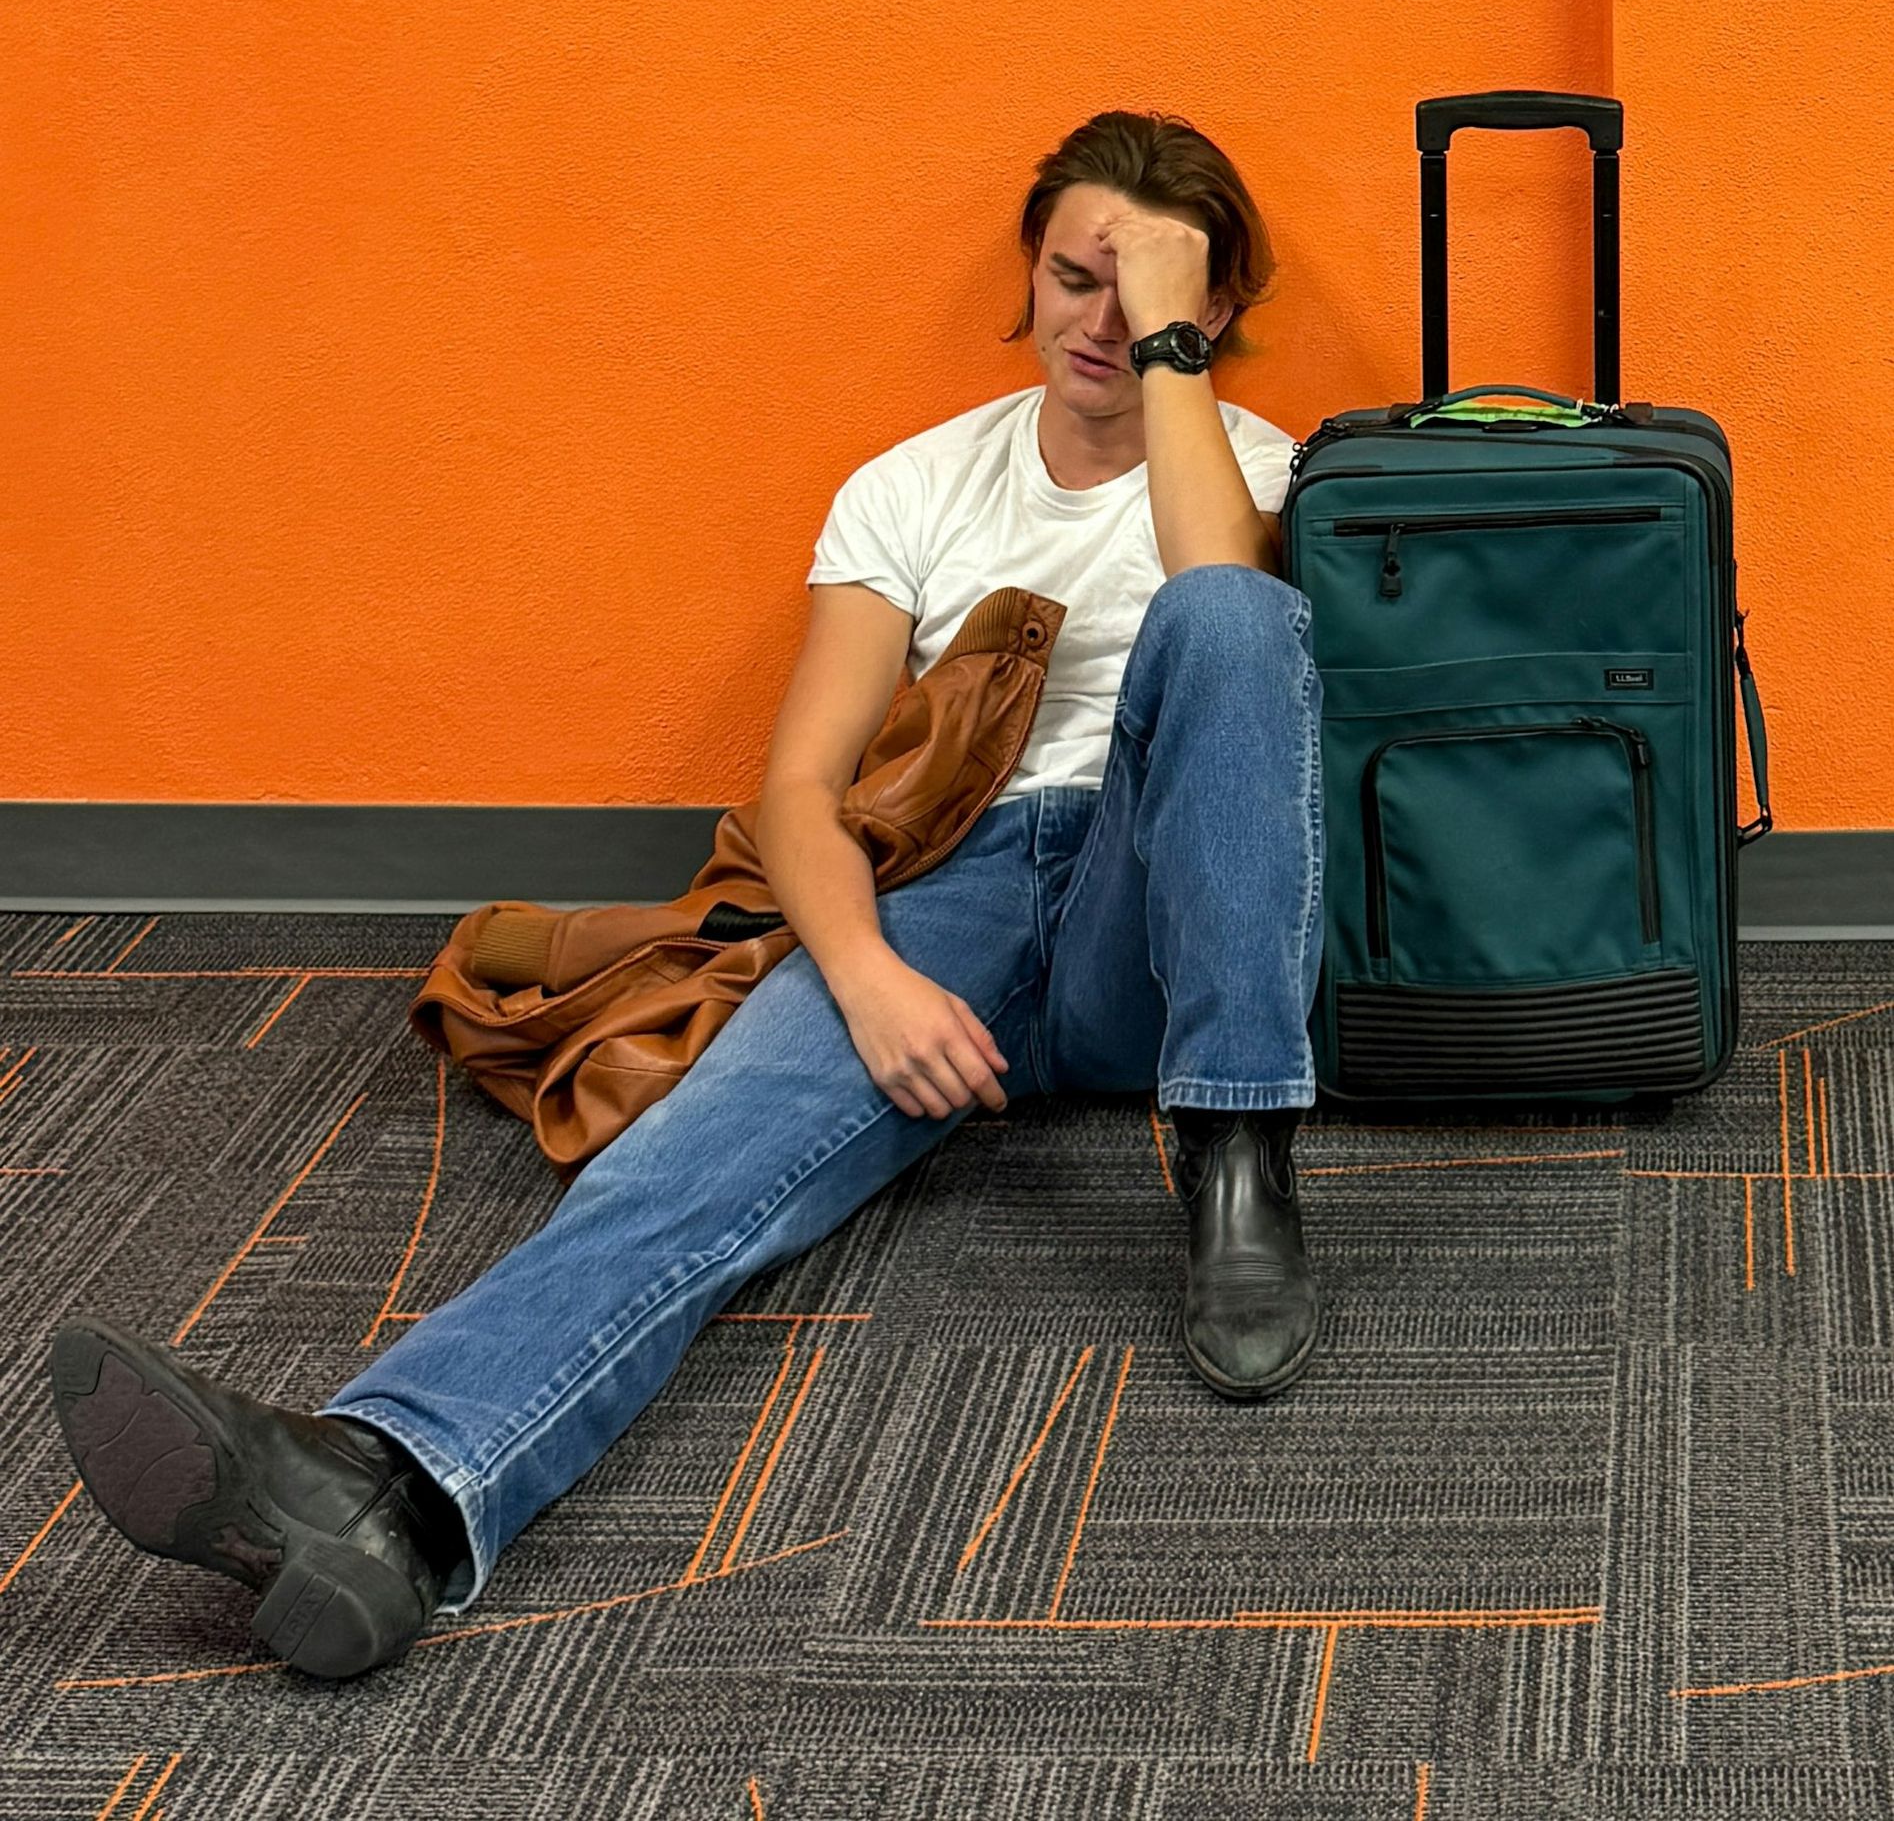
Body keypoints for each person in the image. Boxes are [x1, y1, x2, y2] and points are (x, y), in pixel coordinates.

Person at [45, 109, 1326, 1681]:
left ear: (1203, 309)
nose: (1102, 325)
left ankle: (1241, 1157)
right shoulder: (914, 488)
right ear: (1029, 277)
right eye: (1076, 279)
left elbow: (1218, 606)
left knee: (1237, 625)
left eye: (1141, 294)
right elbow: (801, 788)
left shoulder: (1255, 464)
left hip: (1160, 909)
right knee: (682, 1177)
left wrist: (1177, 343)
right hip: (946, 889)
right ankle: (391, 1493)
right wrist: (864, 974)